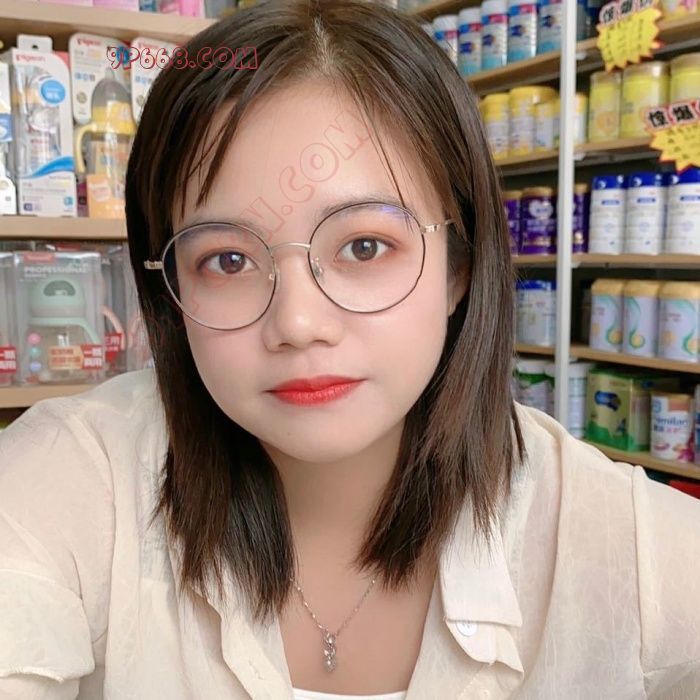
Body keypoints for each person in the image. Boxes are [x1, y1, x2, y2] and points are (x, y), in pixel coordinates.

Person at [1, 1, 699, 698]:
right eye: (227, 261)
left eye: (365, 246)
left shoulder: (622, 548)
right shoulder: (73, 482)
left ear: (459, 267)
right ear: (170, 287)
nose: (299, 322)